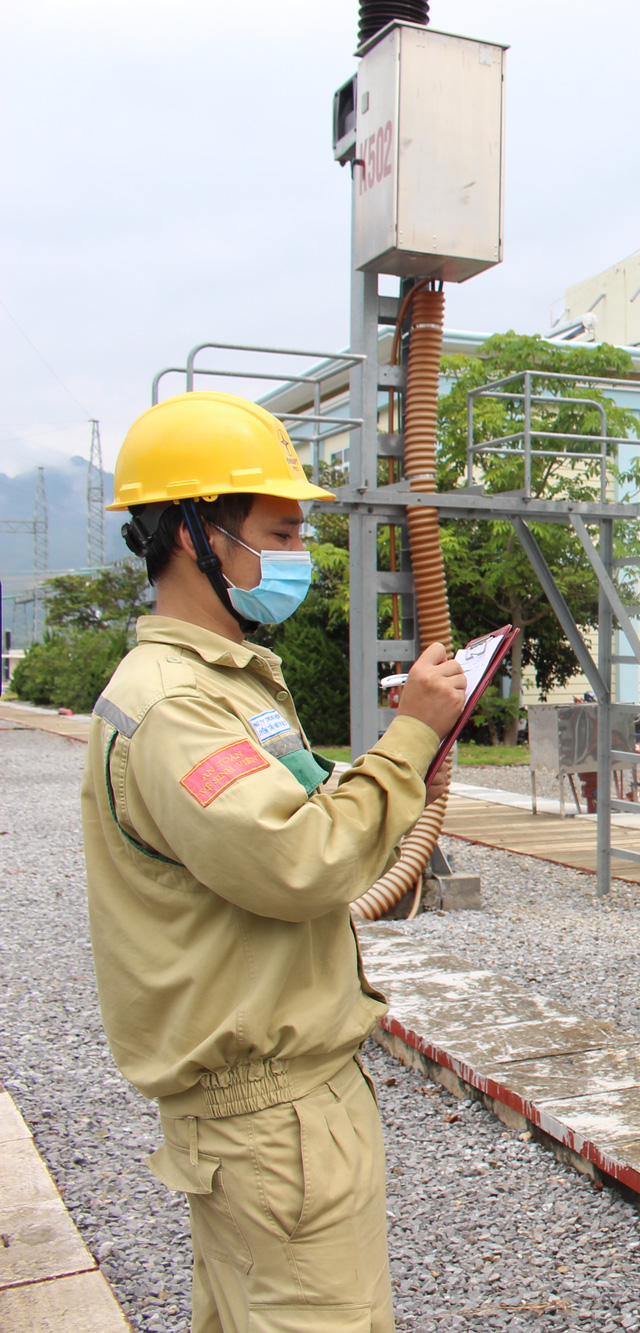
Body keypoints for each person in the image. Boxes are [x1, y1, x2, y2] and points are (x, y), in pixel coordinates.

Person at [79, 391, 467, 1333]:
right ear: (189, 531)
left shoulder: (228, 683)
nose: (296, 554)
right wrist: (413, 736)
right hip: (271, 1123)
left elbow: (297, 809)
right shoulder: (175, 708)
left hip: (286, 1112)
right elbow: (297, 859)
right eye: (279, 530)